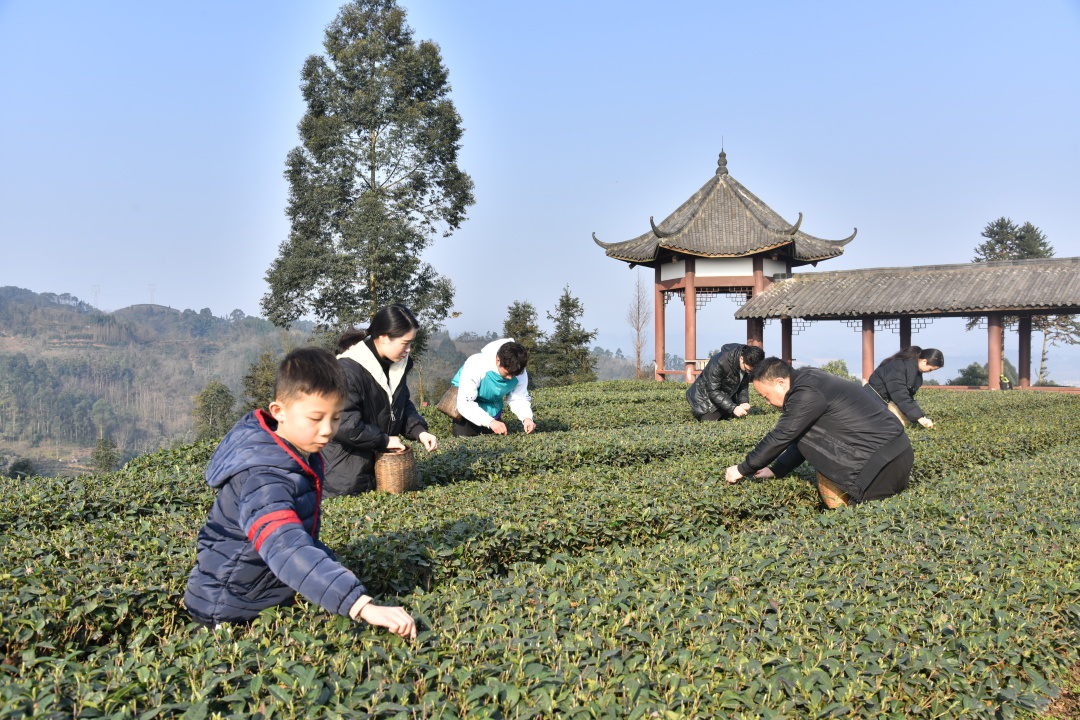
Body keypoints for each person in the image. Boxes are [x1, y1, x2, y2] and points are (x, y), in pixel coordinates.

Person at [184, 347, 416, 637]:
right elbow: (286, 546)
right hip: (230, 609)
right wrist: (360, 604)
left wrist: (335, 573)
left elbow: (299, 537)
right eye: (315, 418)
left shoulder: (298, 454)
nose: (327, 431)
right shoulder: (265, 476)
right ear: (278, 412)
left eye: (335, 418)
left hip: (261, 593)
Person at [725, 357, 914, 507]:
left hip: (880, 465)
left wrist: (743, 469)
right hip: (895, 454)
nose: (768, 403)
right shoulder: (810, 378)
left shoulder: (806, 392)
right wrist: (777, 470)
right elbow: (805, 437)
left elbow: (783, 435)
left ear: (781, 382)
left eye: (766, 396)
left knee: (863, 529)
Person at [322, 305, 438, 497]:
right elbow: (344, 424)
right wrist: (383, 440)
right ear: (384, 337)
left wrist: (419, 431)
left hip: (382, 473)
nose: (408, 350)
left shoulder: (396, 366)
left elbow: (401, 405)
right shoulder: (347, 370)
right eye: (405, 343)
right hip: (346, 477)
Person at [451, 339, 535, 437]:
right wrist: (490, 422)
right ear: (498, 360)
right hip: (467, 414)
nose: (510, 378)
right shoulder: (476, 364)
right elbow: (465, 403)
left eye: (514, 374)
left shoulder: (519, 369)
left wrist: (527, 418)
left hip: (493, 408)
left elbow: (518, 397)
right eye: (507, 373)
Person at [865, 346, 944, 428]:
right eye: (930, 369)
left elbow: (906, 396)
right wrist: (920, 417)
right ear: (924, 361)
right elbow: (900, 394)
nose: (929, 372)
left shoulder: (913, 370)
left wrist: (920, 416)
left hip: (881, 402)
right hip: (871, 404)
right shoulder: (898, 366)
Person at [686, 344, 766, 421]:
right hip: (705, 399)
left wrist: (743, 401)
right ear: (741, 358)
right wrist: (733, 408)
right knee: (710, 420)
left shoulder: (747, 359)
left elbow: (743, 386)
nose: (748, 373)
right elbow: (713, 391)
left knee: (735, 416)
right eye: (748, 370)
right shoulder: (720, 362)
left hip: (725, 396)